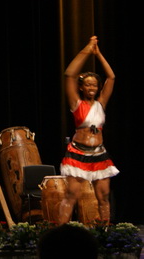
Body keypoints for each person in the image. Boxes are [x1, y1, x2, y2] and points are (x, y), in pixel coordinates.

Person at [58, 36, 119, 224]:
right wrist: (87, 49)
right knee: (71, 196)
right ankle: (61, 232)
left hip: (99, 154)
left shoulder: (101, 104)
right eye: (87, 84)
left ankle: (105, 234)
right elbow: (69, 74)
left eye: (94, 84)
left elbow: (112, 77)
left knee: (103, 197)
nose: (91, 87)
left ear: (98, 87)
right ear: (82, 88)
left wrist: (98, 53)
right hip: (78, 153)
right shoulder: (77, 104)